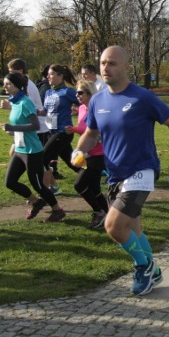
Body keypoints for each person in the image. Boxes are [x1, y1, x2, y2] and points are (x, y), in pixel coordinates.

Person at [72, 45, 169, 296]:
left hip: (142, 170)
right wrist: (79, 151)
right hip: (115, 174)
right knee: (133, 229)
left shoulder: (141, 97)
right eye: (102, 63)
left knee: (113, 226)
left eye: (112, 63)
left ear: (126, 67)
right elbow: (91, 134)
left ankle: (143, 266)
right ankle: (153, 271)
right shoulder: (98, 99)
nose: (105, 68)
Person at [0, 72, 65, 222]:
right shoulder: (14, 102)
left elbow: (35, 125)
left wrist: (13, 127)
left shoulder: (25, 102)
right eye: (4, 84)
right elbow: (20, 123)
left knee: (38, 185)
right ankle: (36, 202)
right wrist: (12, 131)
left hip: (32, 151)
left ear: (16, 85)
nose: (5, 86)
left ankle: (57, 210)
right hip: (20, 149)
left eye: (8, 84)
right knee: (10, 182)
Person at [66, 80, 109, 227]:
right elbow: (85, 129)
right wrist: (74, 129)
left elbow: (103, 129)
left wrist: (98, 138)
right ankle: (108, 216)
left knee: (80, 184)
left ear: (89, 94)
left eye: (80, 92)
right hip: (87, 153)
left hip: (99, 154)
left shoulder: (97, 109)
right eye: (76, 92)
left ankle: (99, 212)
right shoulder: (82, 109)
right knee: (94, 188)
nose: (77, 95)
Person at [41, 64, 81, 191]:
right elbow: (45, 111)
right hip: (51, 132)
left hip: (63, 132)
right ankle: (90, 176)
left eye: (51, 74)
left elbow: (85, 103)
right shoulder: (48, 91)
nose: (48, 76)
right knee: (72, 162)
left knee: (43, 158)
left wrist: (78, 110)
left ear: (61, 76)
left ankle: (49, 188)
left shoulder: (68, 92)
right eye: (48, 74)